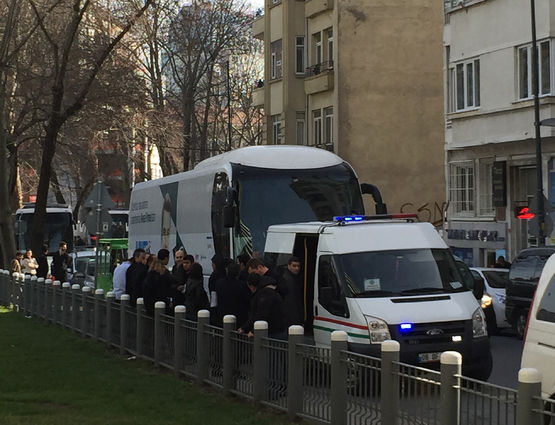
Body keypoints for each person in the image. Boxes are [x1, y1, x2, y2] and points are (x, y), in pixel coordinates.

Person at [239, 274, 287, 339]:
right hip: (280, 329)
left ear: (252, 286)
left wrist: (251, 330)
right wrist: (245, 328)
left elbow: (260, 314)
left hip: (271, 332)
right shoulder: (272, 291)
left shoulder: (263, 295)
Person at [281, 256, 304, 327]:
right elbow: (291, 302)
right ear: (288, 266)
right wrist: (297, 321)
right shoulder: (289, 280)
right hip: (292, 319)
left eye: (298, 266)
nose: (297, 268)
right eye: (294, 266)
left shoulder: (292, 277)